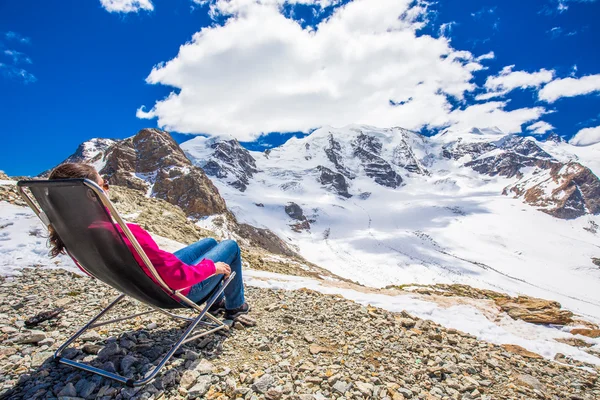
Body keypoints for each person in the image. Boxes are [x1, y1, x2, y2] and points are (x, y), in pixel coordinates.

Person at [47, 163, 249, 319]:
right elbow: (175, 279)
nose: (107, 189)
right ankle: (235, 306)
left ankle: (215, 302)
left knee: (210, 242)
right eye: (103, 186)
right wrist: (210, 269)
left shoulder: (73, 234)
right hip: (175, 291)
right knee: (229, 246)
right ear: (91, 195)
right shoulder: (123, 234)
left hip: (143, 285)